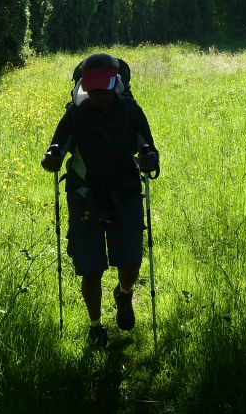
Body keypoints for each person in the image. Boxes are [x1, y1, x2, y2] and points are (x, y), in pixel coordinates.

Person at [41, 53, 159, 348]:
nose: (98, 95)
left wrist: (149, 159)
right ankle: (96, 327)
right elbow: (55, 151)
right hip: (85, 197)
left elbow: (149, 149)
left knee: (130, 261)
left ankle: (124, 293)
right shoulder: (75, 116)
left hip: (126, 192)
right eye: (92, 89)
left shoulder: (131, 112)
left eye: (103, 89)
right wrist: (50, 160)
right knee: (90, 267)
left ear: (116, 83)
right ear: (84, 86)